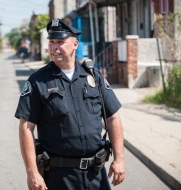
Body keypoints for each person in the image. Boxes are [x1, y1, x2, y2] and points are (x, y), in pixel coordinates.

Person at [15, 18, 125, 190]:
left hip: (96, 174)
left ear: (75, 44)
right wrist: (32, 173)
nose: (54, 47)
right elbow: (26, 128)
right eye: (51, 42)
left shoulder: (94, 77)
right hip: (59, 177)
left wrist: (119, 159)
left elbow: (113, 118)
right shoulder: (38, 81)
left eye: (60, 41)